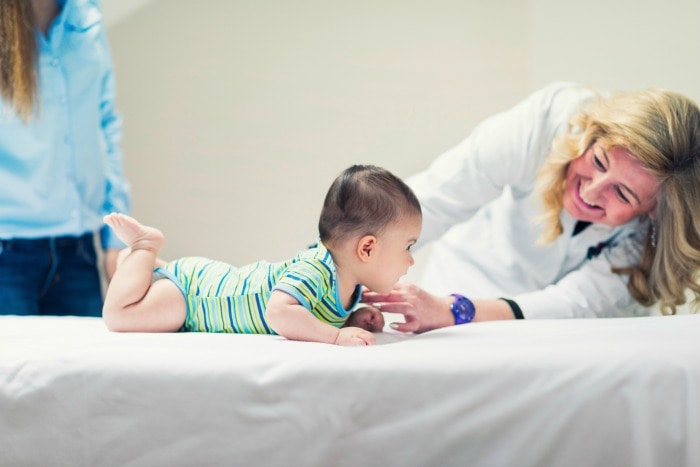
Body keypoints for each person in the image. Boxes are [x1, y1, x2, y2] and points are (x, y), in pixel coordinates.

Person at [361, 81, 700, 332]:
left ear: (653, 212)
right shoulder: (549, 122)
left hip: (565, 330)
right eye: (598, 160)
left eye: (623, 194)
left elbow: (574, 304)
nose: (592, 191)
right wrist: (339, 268)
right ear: (593, 134)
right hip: (468, 278)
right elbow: (433, 199)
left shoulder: (653, 238)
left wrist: (455, 310)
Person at [101, 165, 422, 346]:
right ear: (366, 248)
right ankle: (144, 248)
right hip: (195, 298)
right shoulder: (316, 270)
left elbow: (312, 312)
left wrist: (351, 318)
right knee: (120, 316)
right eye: (408, 247)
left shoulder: (348, 284)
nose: (411, 261)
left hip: (211, 281)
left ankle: (156, 267)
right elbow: (279, 312)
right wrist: (336, 336)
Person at [0, 0, 130, 315]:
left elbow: (105, 124)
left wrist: (116, 237)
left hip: (79, 253)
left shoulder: (86, 14)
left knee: (93, 365)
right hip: (8, 256)